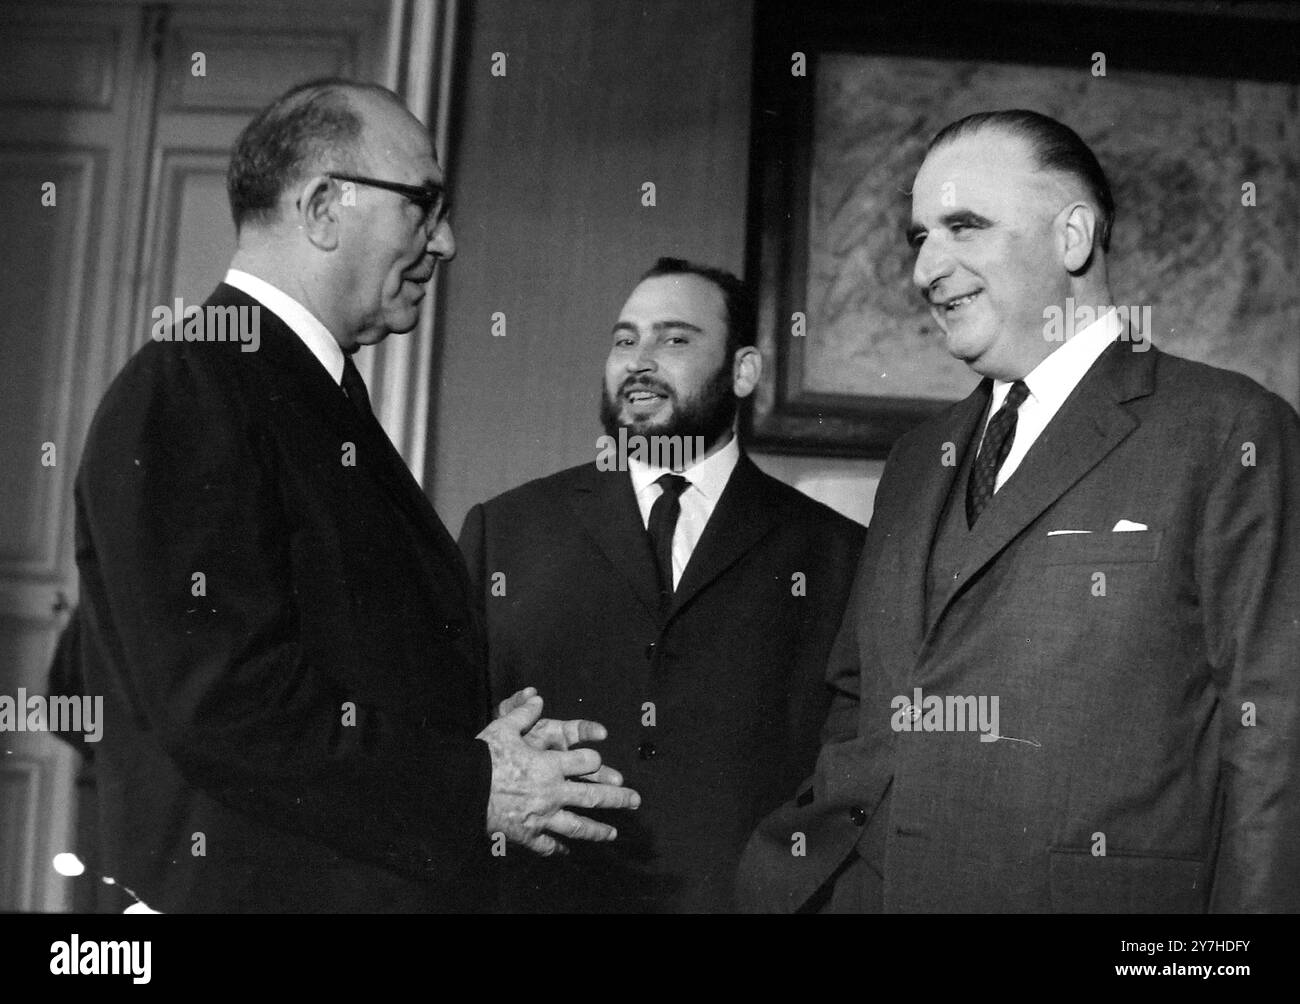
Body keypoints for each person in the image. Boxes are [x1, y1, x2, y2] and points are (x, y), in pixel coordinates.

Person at [71, 78, 637, 913]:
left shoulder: (298, 387)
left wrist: (483, 747)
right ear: (324, 207)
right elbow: (227, 708)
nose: (445, 242)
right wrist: (473, 781)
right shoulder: (188, 388)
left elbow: (337, 668)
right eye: (423, 204)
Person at [738, 110, 1300, 913]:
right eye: (918, 237)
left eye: (963, 226)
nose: (928, 267)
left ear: (1073, 237)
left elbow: (1277, 740)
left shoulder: (1231, 431)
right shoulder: (915, 459)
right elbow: (861, 695)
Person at [459, 258, 865, 912]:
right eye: (625, 339)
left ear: (744, 371)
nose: (639, 360)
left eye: (674, 339)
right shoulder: (506, 529)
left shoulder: (837, 552)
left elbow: (854, 773)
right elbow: (451, 740)